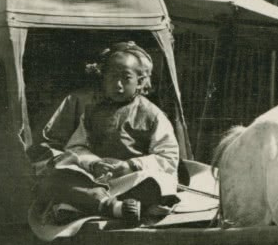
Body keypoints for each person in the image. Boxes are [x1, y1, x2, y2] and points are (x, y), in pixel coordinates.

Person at [32, 42, 179, 225]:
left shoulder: (152, 115)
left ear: (140, 82)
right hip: (96, 180)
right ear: (103, 80)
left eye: (126, 78)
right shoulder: (92, 112)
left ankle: (86, 205)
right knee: (57, 174)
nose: (118, 85)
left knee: (160, 183)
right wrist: (94, 164)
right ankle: (113, 207)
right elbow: (77, 147)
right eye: (112, 78)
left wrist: (130, 166)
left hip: (131, 180)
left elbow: (168, 156)